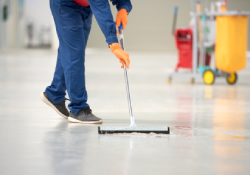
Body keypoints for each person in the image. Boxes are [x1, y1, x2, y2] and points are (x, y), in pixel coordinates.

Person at [40, 0, 132, 124]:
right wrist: (114, 44)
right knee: (75, 54)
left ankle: (55, 93)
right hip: (65, 5)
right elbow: (101, 7)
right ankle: (78, 109)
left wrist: (123, 8)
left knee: (71, 51)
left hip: (85, 7)